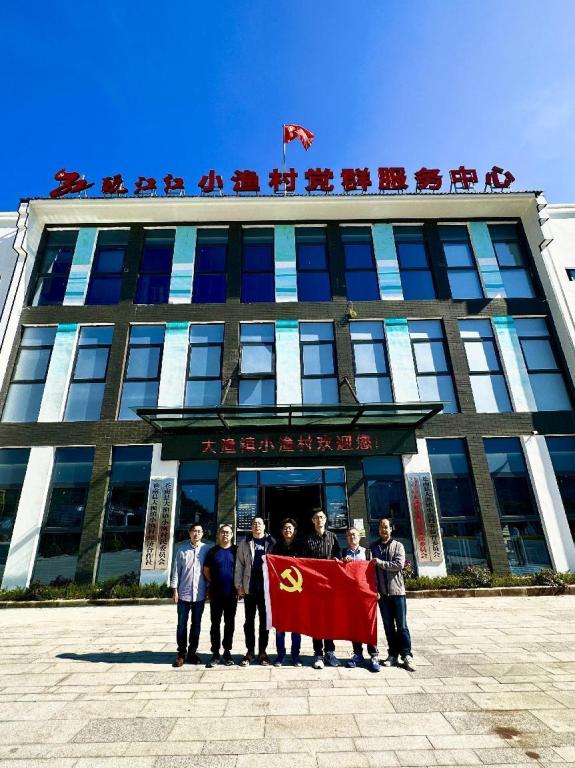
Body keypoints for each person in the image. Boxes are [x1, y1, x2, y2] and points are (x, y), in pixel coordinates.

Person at [370, 518, 415, 671]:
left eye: (386, 527)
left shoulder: (398, 545)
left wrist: (380, 563)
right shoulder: (374, 547)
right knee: (388, 626)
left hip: (397, 592)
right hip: (382, 594)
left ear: (391, 529)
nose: (384, 530)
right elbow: (370, 569)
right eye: (381, 527)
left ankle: (407, 655)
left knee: (402, 626)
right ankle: (392, 654)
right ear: (378, 530)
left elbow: (399, 565)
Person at [300, 508, 341, 669]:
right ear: (313, 521)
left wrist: (338, 561)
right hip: (314, 587)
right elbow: (303, 562)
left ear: (325, 519)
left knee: (329, 620)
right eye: (316, 517)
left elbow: (338, 557)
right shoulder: (307, 539)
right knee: (316, 621)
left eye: (322, 517)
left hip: (329, 586)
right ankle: (318, 653)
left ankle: (330, 652)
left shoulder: (333, 537)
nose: (319, 520)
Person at [234, 516, 275, 666]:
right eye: (254, 524)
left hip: (266, 590)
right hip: (249, 588)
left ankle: (263, 652)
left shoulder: (272, 542)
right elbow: (239, 565)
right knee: (249, 622)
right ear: (251, 527)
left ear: (264, 526)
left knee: (265, 622)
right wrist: (239, 585)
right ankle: (250, 652)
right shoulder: (245, 542)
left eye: (259, 523)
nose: (257, 526)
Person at [170, 523, 209, 667]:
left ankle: (192, 652)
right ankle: (181, 653)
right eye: (194, 531)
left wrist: (208, 589)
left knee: (196, 625)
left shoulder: (206, 549)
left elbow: (208, 571)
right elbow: (176, 570)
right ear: (189, 533)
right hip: (183, 593)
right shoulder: (181, 549)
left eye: (199, 531)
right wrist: (175, 590)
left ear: (202, 533)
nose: (196, 534)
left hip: (200, 593)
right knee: (181, 624)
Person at [342, 527, 380, 672]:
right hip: (350, 596)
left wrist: (376, 590)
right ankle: (358, 654)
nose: (352, 537)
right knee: (354, 625)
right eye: (349, 535)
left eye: (354, 535)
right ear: (346, 538)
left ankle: (374, 655)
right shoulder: (343, 553)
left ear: (359, 537)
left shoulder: (367, 553)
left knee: (369, 623)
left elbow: (374, 573)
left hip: (367, 595)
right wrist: (342, 562)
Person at [203, 523, 238, 667]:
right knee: (215, 624)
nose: (225, 534)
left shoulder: (236, 550)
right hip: (216, 594)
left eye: (228, 532)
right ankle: (215, 653)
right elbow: (206, 570)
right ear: (218, 534)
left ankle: (227, 651)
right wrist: (213, 582)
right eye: (223, 532)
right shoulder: (212, 551)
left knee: (229, 624)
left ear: (232, 535)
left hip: (231, 594)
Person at [271, 517, 302, 667]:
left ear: (294, 531)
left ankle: (295, 656)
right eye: (285, 528)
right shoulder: (276, 546)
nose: (287, 530)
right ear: (282, 531)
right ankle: (280, 655)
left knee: (296, 626)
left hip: (297, 592)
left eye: (290, 528)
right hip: (281, 592)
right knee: (280, 626)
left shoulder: (301, 546)